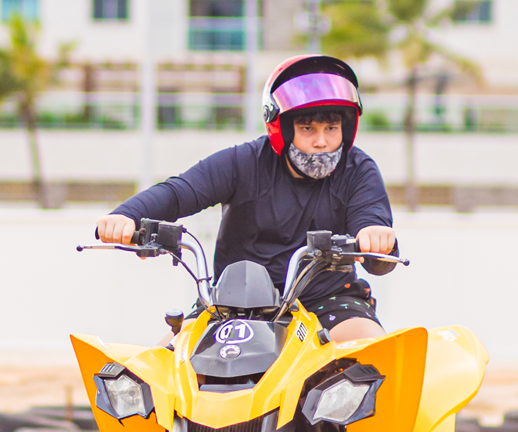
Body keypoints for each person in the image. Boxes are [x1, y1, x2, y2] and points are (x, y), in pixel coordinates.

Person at [96, 54, 397, 343]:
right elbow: (179, 192)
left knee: (375, 355)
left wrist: (375, 235)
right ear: (280, 126)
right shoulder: (244, 162)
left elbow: (372, 224)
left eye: (331, 128)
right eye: (308, 128)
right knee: (155, 372)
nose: (321, 141)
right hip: (233, 304)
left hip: (329, 303)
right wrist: (126, 215)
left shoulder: (358, 170)